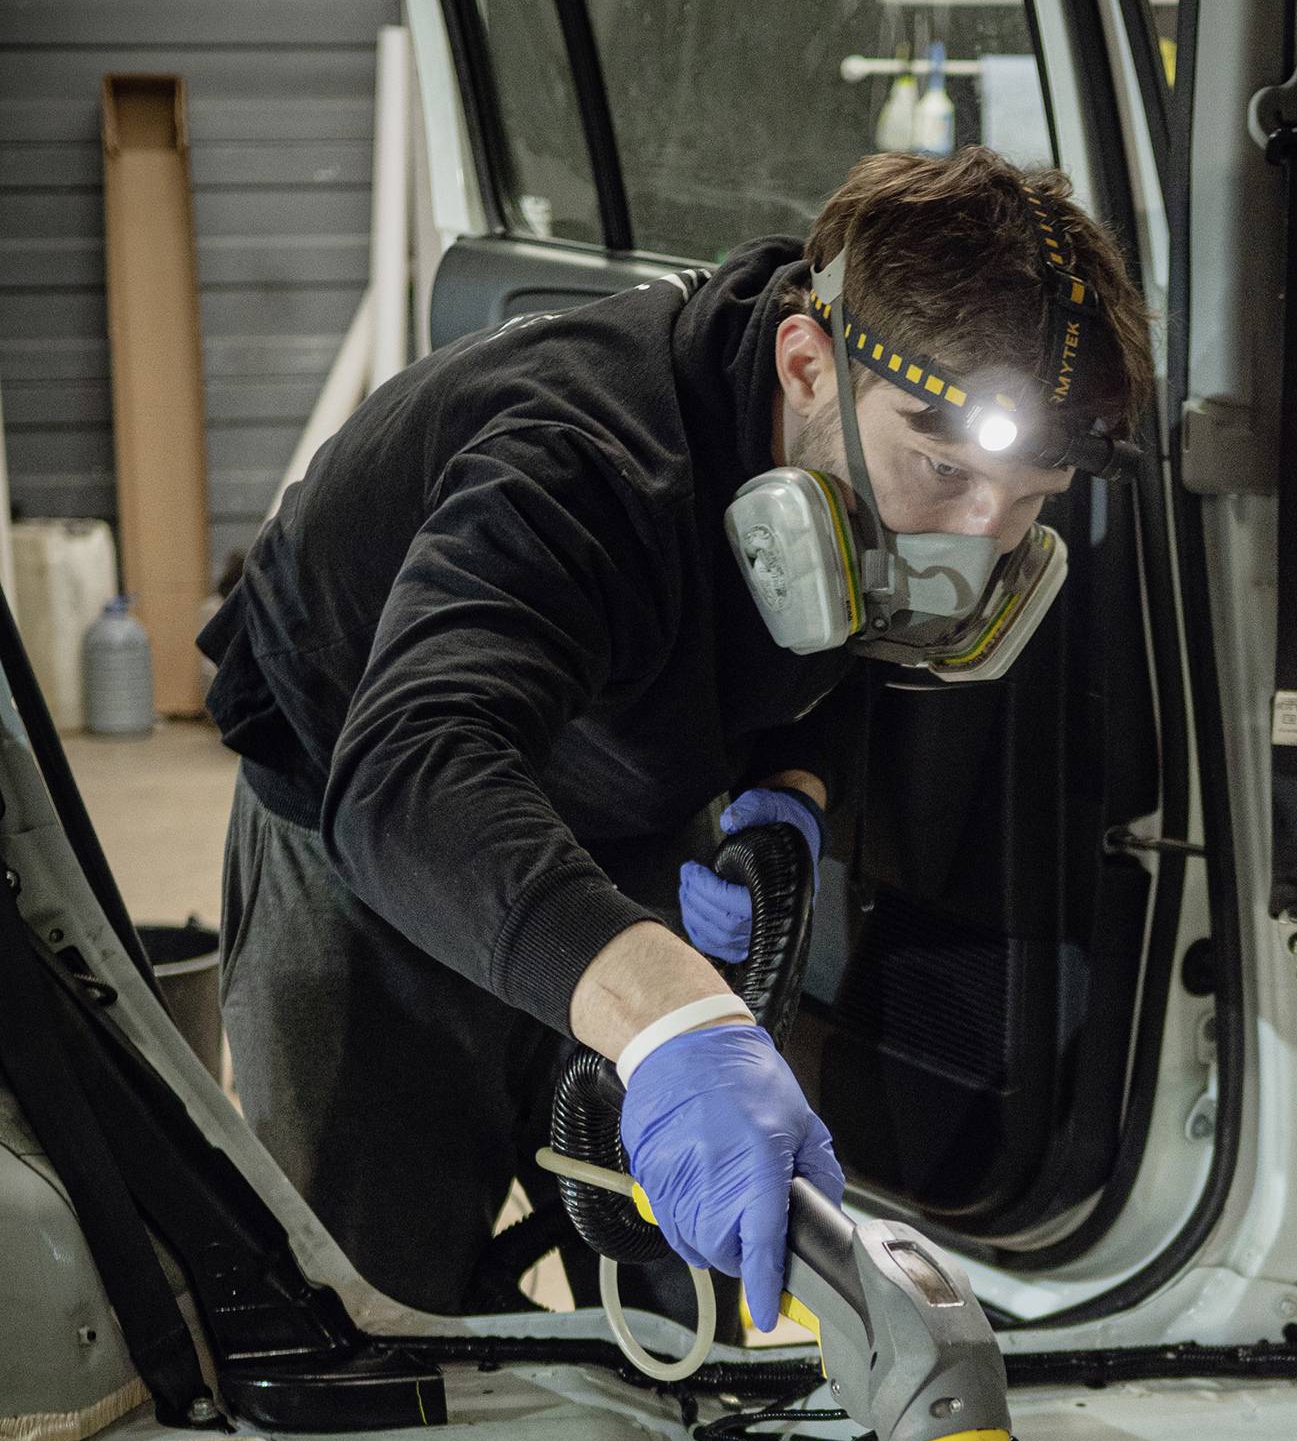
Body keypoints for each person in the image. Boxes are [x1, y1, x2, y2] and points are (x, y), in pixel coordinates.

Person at [201, 148, 1152, 1330]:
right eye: (945, 470)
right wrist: (673, 1018)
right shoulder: (583, 456)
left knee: (681, 1292)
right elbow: (414, 773)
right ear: (806, 364)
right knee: (370, 1309)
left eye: (1028, 501)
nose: (978, 544)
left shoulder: (854, 455)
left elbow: (864, 631)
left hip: (608, 799)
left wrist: (790, 797)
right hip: (369, 833)